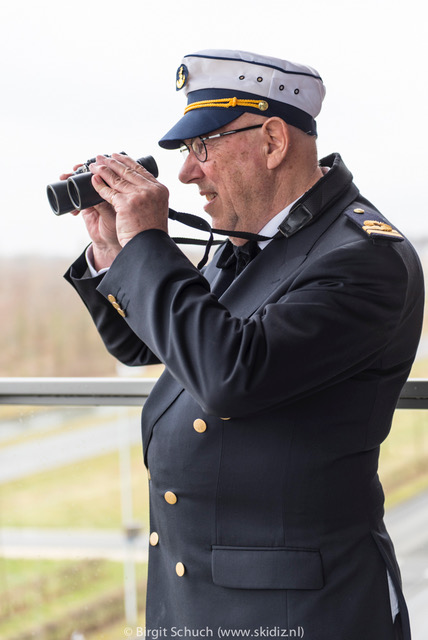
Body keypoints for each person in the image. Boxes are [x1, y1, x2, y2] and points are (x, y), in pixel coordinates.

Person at [64, 50, 424, 640]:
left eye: (201, 148)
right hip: (197, 602)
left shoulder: (363, 256)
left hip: (298, 613)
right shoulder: (254, 244)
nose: (185, 174)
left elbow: (230, 373)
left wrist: (151, 245)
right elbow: (148, 343)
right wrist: (115, 248)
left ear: (274, 141)